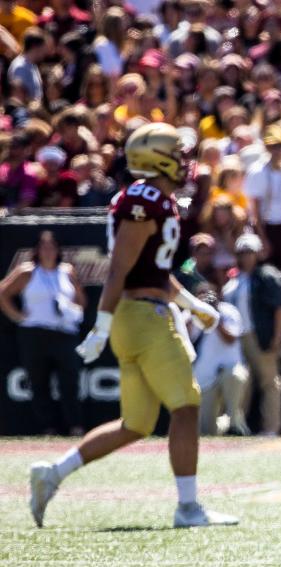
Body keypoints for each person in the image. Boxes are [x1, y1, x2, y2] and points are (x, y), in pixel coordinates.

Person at [27, 123, 237, 529]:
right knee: (187, 405)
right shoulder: (145, 199)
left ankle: (52, 473)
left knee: (136, 424)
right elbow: (120, 268)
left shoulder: (154, 198)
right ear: (156, 157)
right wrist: (100, 325)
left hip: (138, 314)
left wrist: (193, 305)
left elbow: (153, 271)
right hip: (144, 317)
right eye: (176, 154)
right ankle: (189, 508)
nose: (183, 162)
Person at [0, 231, 86, 436]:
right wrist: (18, 316)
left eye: (52, 246)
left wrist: (70, 309)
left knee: (70, 381)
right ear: (37, 250)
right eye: (44, 247)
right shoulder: (27, 271)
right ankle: (49, 429)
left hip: (64, 333)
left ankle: (75, 426)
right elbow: (3, 293)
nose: (48, 251)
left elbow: (82, 301)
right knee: (39, 382)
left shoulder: (67, 271)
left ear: (58, 250)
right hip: (34, 334)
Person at [221, 233, 281, 436]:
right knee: (241, 381)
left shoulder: (266, 275)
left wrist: (276, 336)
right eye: (242, 252)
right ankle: (238, 425)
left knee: (269, 381)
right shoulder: (234, 278)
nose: (246, 257)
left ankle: (272, 427)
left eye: (249, 252)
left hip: (258, 335)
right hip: (234, 338)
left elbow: (279, 307)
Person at [243, 125, 281, 272]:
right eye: (272, 146)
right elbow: (255, 210)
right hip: (265, 227)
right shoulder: (257, 171)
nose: (276, 150)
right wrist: (263, 238)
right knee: (265, 269)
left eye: (280, 146)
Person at [192, 290, 249, 436]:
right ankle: (226, 424)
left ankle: (234, 425)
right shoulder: (192, 313)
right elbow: (185, 338)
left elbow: (231, 338)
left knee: (235, 375)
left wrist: (214, 316)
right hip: (204, 377)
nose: (207, 299)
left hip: (229, 370)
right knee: (207, 431)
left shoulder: (228, 311)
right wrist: (196, 310)